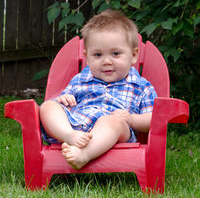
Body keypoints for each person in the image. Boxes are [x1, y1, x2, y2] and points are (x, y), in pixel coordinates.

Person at [40, 10, 157, 170]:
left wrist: (131, 119)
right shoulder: (81, 79)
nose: (106, 61)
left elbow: (154, 119)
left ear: (134, 55)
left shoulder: (142, 86)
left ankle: (84, 155)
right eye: (98, 55)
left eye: (115, 54)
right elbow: (64, 102)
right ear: (87, 57)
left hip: (114, 130)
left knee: (112, 121)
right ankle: (69, 136)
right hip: (77, 125)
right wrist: (65, 98)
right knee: (48, 106)